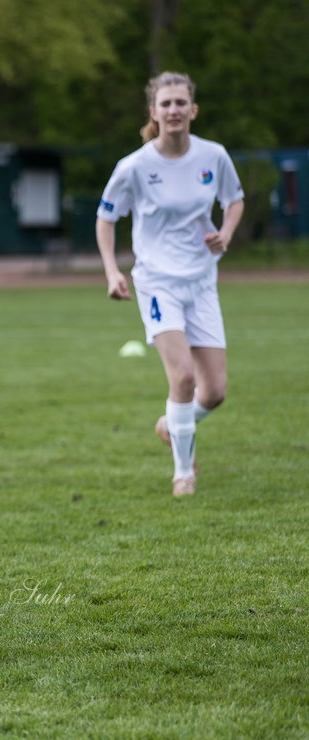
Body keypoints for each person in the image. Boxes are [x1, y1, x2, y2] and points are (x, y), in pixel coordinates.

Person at [96, 71, 244, 498]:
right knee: (182, 378)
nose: (174, 110)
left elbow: (235, 199)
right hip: (158, 281)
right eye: (166, 104)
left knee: (213, 392)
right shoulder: (135, 166)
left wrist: (227, 234)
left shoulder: (213, 156)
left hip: (202, 281)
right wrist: (111, 270)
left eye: (181, 103)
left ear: (193, 110)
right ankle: (184, 473)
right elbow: (106, 218)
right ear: (153, 112)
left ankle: (170, 426)